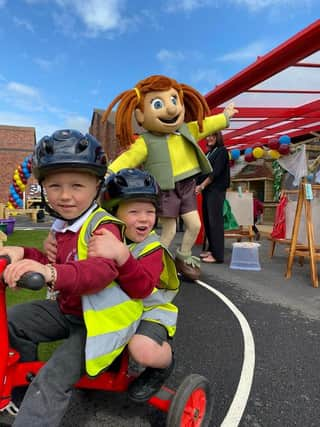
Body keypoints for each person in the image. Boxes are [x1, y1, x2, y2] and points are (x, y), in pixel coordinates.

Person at [0, 130, 160, 427]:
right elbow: (56, 261)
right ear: (44, 186)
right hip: (71, 310)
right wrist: (22, 251)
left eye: (76, 185)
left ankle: (34, 414)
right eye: (55, 185)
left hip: (100, 321)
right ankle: (19, 395)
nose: (64, 195)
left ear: (97, 186)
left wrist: (51, 273)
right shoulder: (64, 225)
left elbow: (98, 272)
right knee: (12, 321)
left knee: (53, 378)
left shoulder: (104, 228)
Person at [43, 168, 179, 403]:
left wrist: (123, 256)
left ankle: (163, 365)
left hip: (149, 311)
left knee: (142, 349)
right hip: (122, 309)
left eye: (150, 211)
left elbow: (142, 290)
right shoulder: (106, 235)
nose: (145, 218)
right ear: (114, 214)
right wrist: (52, 243)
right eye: (134, 211)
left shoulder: (152, 249)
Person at [101, 74, 238, 280]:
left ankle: (182, 257)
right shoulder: (145, 141)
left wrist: (225, 117)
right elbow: (129, 157)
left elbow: (206, 124)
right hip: (164, 188)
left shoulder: (186, 130)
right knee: (169, 229)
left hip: (187, 185)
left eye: (174, 100)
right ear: (140, 115)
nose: (171, 108)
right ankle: (153, 262)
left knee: (195, 225)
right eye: (158, 103)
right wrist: (109, 171)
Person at [195, 131, 230, 263]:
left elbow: (215, 173)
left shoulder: (221, 151)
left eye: (213, 136)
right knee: (208, 221)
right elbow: (201, 172)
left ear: (218, 137)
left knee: (215, 222)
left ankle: (218, 255)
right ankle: (211, 249)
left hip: (216, 190)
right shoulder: (209, 152)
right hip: (207, 191)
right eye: (208, 136)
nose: (209, 138)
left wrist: (202, 186)